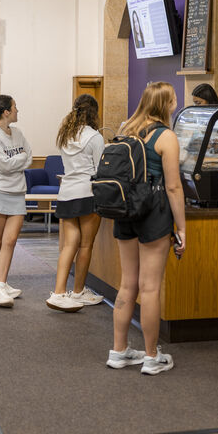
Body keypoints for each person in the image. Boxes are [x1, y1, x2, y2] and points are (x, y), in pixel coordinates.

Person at [107, 81, 186, 375]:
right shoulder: (166, 137)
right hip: (154, 212)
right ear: (164, 104)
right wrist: (182, 227)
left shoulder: (125, 128)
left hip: (126, 210)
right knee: (150, 288)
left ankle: (119, 351)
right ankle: (152, 356)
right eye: (173, 99)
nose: (176, 103)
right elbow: (174, 186)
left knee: (128, 283)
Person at [46, 95, 105, 312]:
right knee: (86, 245)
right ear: (94, 113)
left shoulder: (66, 134)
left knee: (69, 245)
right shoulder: (94, 137)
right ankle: (78, 291)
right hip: (88, 193)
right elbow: (100, 169)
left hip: (66, 192)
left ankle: (59, 292)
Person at [0, 95, 33, 308]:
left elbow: (29, 156)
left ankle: (2, 284)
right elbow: (4, 165)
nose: (18, 110)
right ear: (6, 112)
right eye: (15, 107)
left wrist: (17, 160)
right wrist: (18, 159)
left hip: (18, 192)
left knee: (10, 241)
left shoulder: (18, 133)